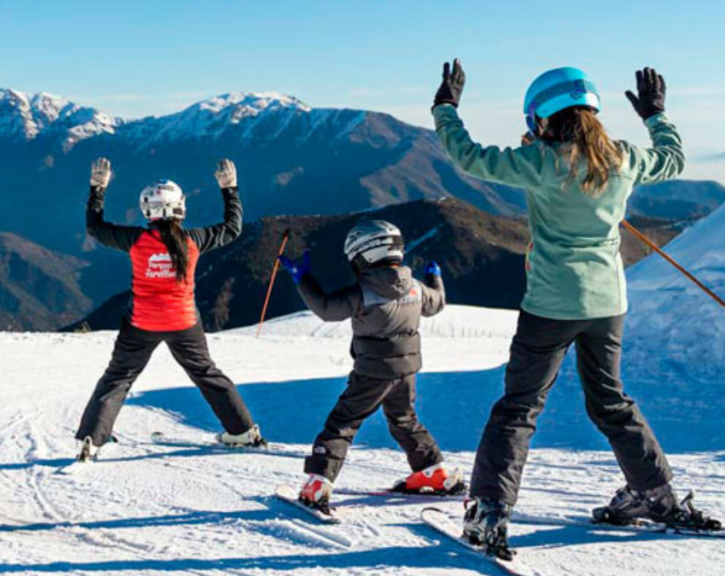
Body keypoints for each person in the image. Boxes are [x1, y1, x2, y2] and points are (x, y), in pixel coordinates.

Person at [431, 60, 721, 558]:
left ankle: (489, 512)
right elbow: (671, 158)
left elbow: (468, 157)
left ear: (540, 116)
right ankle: (657, 494)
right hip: (608, 303)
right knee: (611, 401)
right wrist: (656, 115)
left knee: (518, 407)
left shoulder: (540, 163)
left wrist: (446, 108)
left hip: (551, 304)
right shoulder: (624, 158)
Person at [74, 157, 264, 462]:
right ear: (181, 207)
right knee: (205, 373)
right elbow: (232, 228)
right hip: (184, 322)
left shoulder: (135, 240)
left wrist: (98, 189)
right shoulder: (194, 241)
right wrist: (230, 189)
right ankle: (241, 431)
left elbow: (95, 228)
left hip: (141, 322)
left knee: (118, 377)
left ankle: (92, 439)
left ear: (147, 209)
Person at [277, 220, 464, 517]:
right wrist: (435, 278)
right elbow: (436, 303)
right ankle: (433, 471)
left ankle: (318, 482)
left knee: (342, 423)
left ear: (365, 255)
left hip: (373, 372)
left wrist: (302, 278)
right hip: (407, 369)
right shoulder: (415, 287)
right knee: (404, 418)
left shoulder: (363, 291)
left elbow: (327, 309)